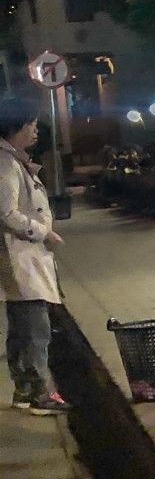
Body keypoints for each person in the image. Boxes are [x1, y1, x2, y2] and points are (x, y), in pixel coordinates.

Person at [0, 98, 68, 415]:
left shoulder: (13, 160)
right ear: (17, 126)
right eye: (32, 124)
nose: (36, 130)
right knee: (35, 328)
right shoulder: (6, 164)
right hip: (21, 260)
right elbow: (6, 213)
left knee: (23, 328)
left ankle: (25, 389)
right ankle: (40, 392)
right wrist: (43, 231)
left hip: (23, 260)